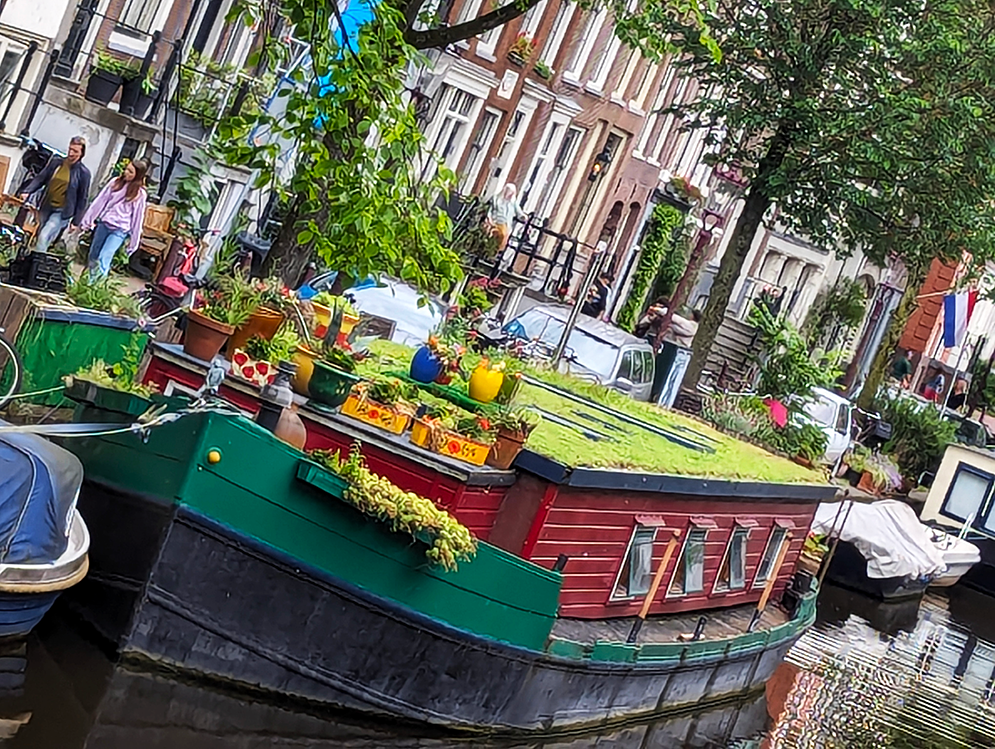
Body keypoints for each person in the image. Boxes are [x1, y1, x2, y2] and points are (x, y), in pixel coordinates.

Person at [19, 136, 91, 253]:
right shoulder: (57, 163)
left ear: (82, 153)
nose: (71, 153)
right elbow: (41, 178)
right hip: (46, 206)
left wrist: (76, 221)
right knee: (41, 236)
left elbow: (82, 198)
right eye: (70, 149)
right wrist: (27, 191)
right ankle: (35, 261)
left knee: (44, 235)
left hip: (62, 211)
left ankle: (36, 265)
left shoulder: (83, 173)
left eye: (75, 151)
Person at [80, 159, 148, 278]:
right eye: (126, 169)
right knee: (93, 254)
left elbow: (138, 218)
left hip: (120, 230)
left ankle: (96, 286)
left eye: (131, 172)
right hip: (105, 224)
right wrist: (88, 220)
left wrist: (134, 241)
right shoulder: (115, 183)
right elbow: (100, 201)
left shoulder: (139, 194)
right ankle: (88, 281)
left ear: (138, 176)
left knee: (104, 256)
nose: (126, 172)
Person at [487, 183, 526, 251]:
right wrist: (489, 218)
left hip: (504, 223)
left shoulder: (513, 203)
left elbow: (519, 212)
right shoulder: (495, 199)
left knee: (503, 234)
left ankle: (495, 250)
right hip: (494, 220)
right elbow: (489, 209)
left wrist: (523, 217)